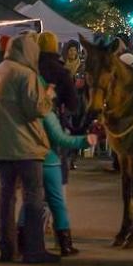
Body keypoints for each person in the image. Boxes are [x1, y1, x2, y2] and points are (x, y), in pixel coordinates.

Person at [0, 31, 60, 264]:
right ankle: (34, 250)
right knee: (33, 197)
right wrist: (48, 95)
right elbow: (37, 109)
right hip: (26, 147)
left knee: (6, 198)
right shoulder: (26, 75)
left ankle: (7, 248)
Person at [17, 97, 98, 256]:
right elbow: (61, 139)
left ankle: (21, 241)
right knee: (57, 203)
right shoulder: (47, 114)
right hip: (49, 162)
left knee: (29, 201)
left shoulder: (22, 112)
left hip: (29, 160)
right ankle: (65, 245)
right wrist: (85, 141)